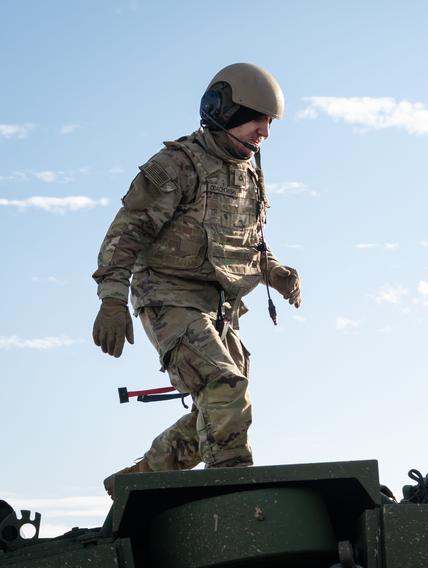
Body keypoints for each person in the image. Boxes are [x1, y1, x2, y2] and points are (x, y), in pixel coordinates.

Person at [92, 63, 301, 494]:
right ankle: (234, 494)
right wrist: (112, 300)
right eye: (256, 120)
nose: (265, 132)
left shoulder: (248, 175)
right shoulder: (178, 165)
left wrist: (274, 272)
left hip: (219, 306)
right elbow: (125, 234)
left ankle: (140, 481)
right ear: (223, 111)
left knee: (217, 411)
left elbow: (246, 241)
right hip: (167, 296)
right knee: (226, 387)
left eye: (269, 123)